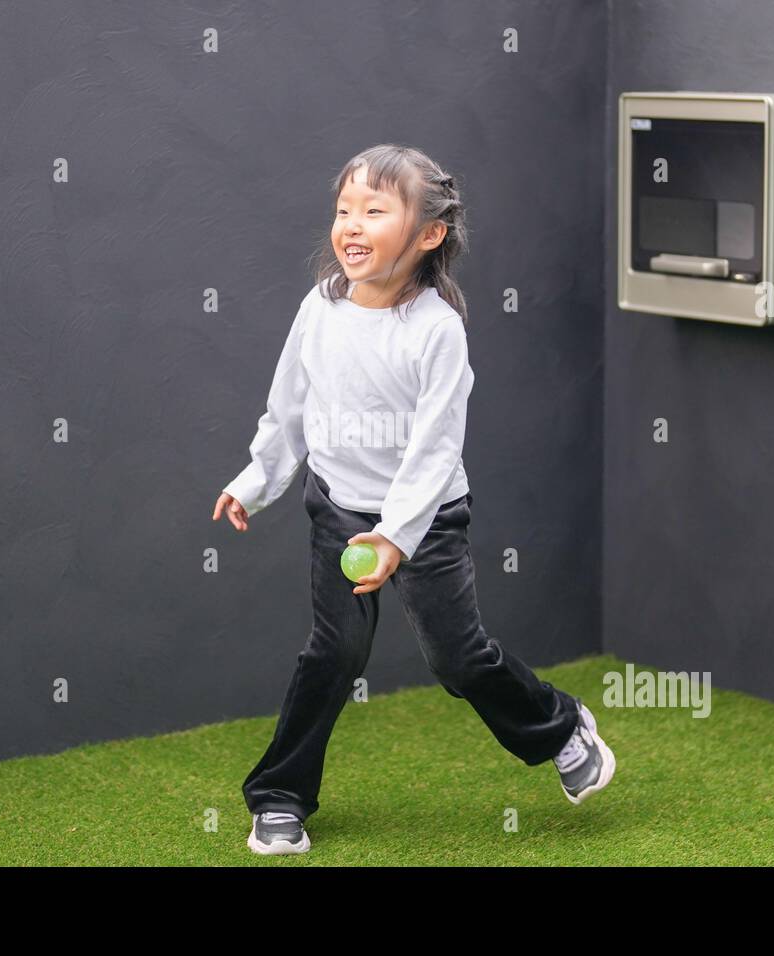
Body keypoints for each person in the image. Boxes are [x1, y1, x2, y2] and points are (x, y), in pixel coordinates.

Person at [212, 144, 615, 856]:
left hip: (426, 523)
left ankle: (561, 729)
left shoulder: (437, 331)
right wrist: (256, 480)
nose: (351, 225)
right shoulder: (320, 308)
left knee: (458, 662)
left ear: (428, 233)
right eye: (344, 210)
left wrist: (398, 536)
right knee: (333, 656)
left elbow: (435, 449)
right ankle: (278, 798)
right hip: (338, 509)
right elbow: (289, 406)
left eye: (375, 209)